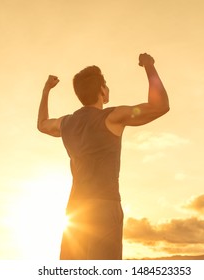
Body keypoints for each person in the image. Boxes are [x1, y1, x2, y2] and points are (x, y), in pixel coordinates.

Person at [37, 53, 169, 260]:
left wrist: (46, 91)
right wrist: (149, 66)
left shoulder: (66, 123)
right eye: (105, 85)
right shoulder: (112, 117)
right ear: (101, 91)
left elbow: (42, 124)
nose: (107, 89)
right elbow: (160, 106)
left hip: (76, 209)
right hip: (105, 207)